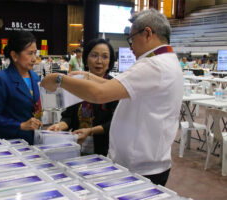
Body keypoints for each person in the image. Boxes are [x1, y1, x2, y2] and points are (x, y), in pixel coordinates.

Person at [40, 9, 183, 186]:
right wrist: (88, 76)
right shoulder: (166, 61)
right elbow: (108, 85)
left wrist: (59, 79)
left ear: (147, 33)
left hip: (140, 166)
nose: (131, 47)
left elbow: (99, 94)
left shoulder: (153, 65)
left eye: (131, 39)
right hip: (145, 161)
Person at [47, 38, 118, 156]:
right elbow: (69, 116)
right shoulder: (76, 83)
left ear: (110, 61)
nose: (99, 61)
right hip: (78, 147)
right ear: (86, 58)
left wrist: (90, 131)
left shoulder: (114, 86)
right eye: (94, 55)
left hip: (104, 150)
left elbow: (115, 122)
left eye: (105, 57)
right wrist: (60, 126)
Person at [0, 31, 42, 144]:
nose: (34, 58)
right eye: (30, 53)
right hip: (10, 142)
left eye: (35, 53)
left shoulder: (35, 77)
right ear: (14, 55)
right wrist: (20, 125)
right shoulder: (1, 80)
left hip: (33, 140)